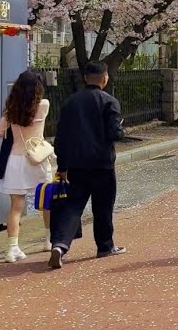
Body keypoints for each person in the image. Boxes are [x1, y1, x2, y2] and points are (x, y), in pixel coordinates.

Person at [48, 61, 127, 269]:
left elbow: (61, 136)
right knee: (103, 207)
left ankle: (60, 245)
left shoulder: (70, 102)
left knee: (72, 207)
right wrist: (121, 129)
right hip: (102, 164)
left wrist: (62, 166)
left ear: (85, 78)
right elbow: (114, 133)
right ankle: (105, 246)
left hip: (75, 164)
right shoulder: (110, 101)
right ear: (105, 78)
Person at [0, 70, 53, 262]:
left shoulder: (11, 110)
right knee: (47, 202)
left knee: (16, 207)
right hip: (37, 159)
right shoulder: (44, 105)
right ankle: (49, 240)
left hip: (15, 161)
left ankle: (13, 248)